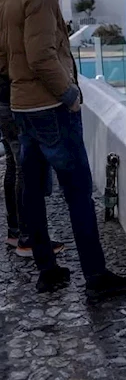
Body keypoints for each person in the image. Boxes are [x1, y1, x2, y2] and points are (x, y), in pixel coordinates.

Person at [0, 0, 126, 300]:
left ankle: (48, 270)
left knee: (31, 189)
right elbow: (42, 54)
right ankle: (95, 276)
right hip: (50, 107)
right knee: (77, 192)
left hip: (22, 104)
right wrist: (69, 94)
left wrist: (17, 87)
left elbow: (5, 53)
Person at [1, 74, 63, 257]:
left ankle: (15, 231)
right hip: (14, 99)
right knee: (23, 168)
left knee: (13, 165)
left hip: (4, 99)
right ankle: (28, 238)